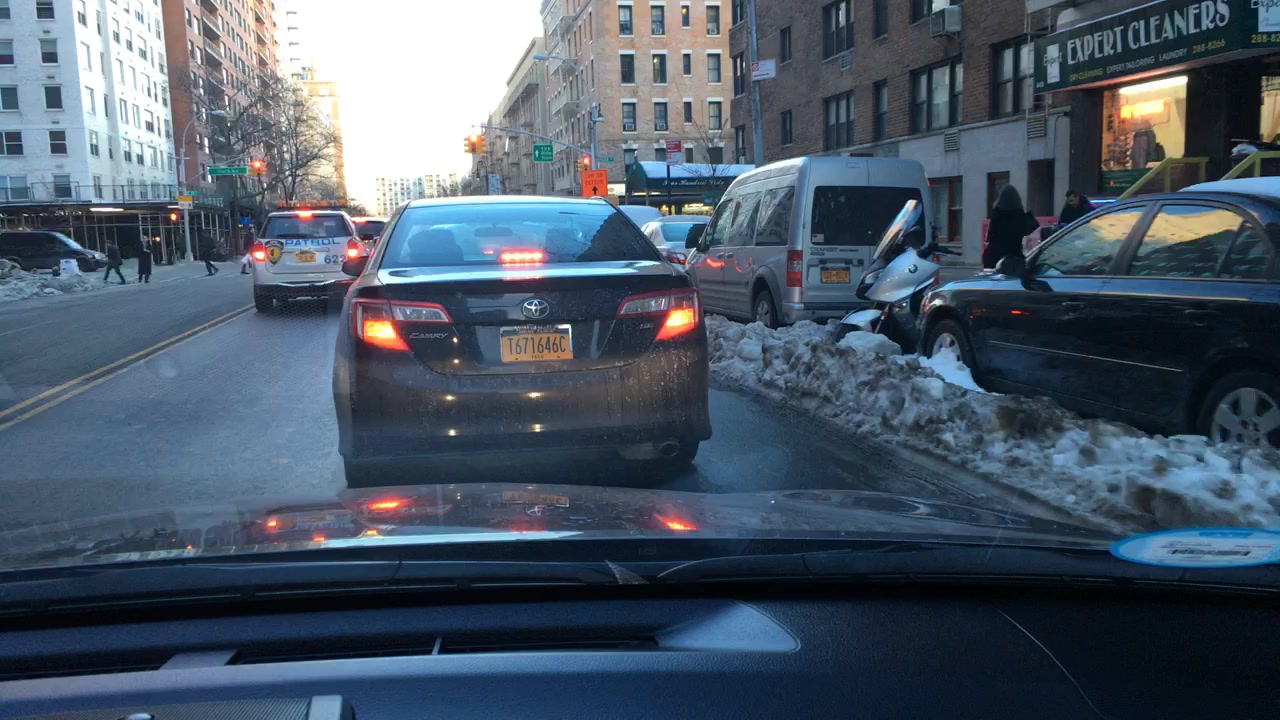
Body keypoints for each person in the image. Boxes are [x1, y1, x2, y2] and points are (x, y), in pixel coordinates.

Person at [983, 184, 1040, 270]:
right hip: (1014, 256)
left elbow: (990, 235)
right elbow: (1029, 229)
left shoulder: (997, 213)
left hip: (994, 255)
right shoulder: (1019, 214)